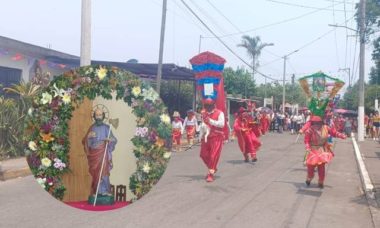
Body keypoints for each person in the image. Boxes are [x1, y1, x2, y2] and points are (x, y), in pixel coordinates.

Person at [304, 116, 346, 188]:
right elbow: (306, 140)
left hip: (322, 150)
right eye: (315, 123)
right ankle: (309, 178)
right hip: (313, 150)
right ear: (312, 123)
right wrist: (307, 147)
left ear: (321, 122)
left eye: (318, 123)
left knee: (321, 167)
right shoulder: (309, 130)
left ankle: (321, 181)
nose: (317, 125)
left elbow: (334, 133)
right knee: (310, 167)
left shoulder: (326, 128)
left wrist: (341, 135)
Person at [82, 108, 117, 196]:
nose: (98, 117)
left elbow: (114, 139)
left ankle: (106, 191)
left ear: (103, 116)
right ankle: (96, 191)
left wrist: (109, 140)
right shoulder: (92, 128)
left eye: (100, 115)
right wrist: (88, 137)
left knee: (104, 172)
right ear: (94, 116)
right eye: (97, 115)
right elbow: (84, 141)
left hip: (103, 153)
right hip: (94, 154)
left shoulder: (107, 128)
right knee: (95, 173)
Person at [199, 98, 225, 182]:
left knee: (213, 156)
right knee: (203, 154)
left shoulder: (220, 113)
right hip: (206, 137)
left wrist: (210, 121)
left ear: (213, 105)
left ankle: (210, 174)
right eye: (206, 106)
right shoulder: (204, 113)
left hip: (216, 137)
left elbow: (221, 124)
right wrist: (200, 135)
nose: (208, 107)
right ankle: (213, 167)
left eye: (209, 105)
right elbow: (202, 125)